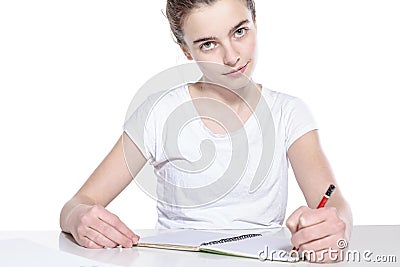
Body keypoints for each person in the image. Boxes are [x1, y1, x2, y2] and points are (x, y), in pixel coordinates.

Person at [60, 0, 352, 262]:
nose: (231, 57)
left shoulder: (287, 113)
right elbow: (77, 204)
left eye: (240, 32)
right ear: (186, 50)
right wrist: (78, 218)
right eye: (208, 44)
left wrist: (334, 226)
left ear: (255, 23)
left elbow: (335, 203)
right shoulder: (159, 113)